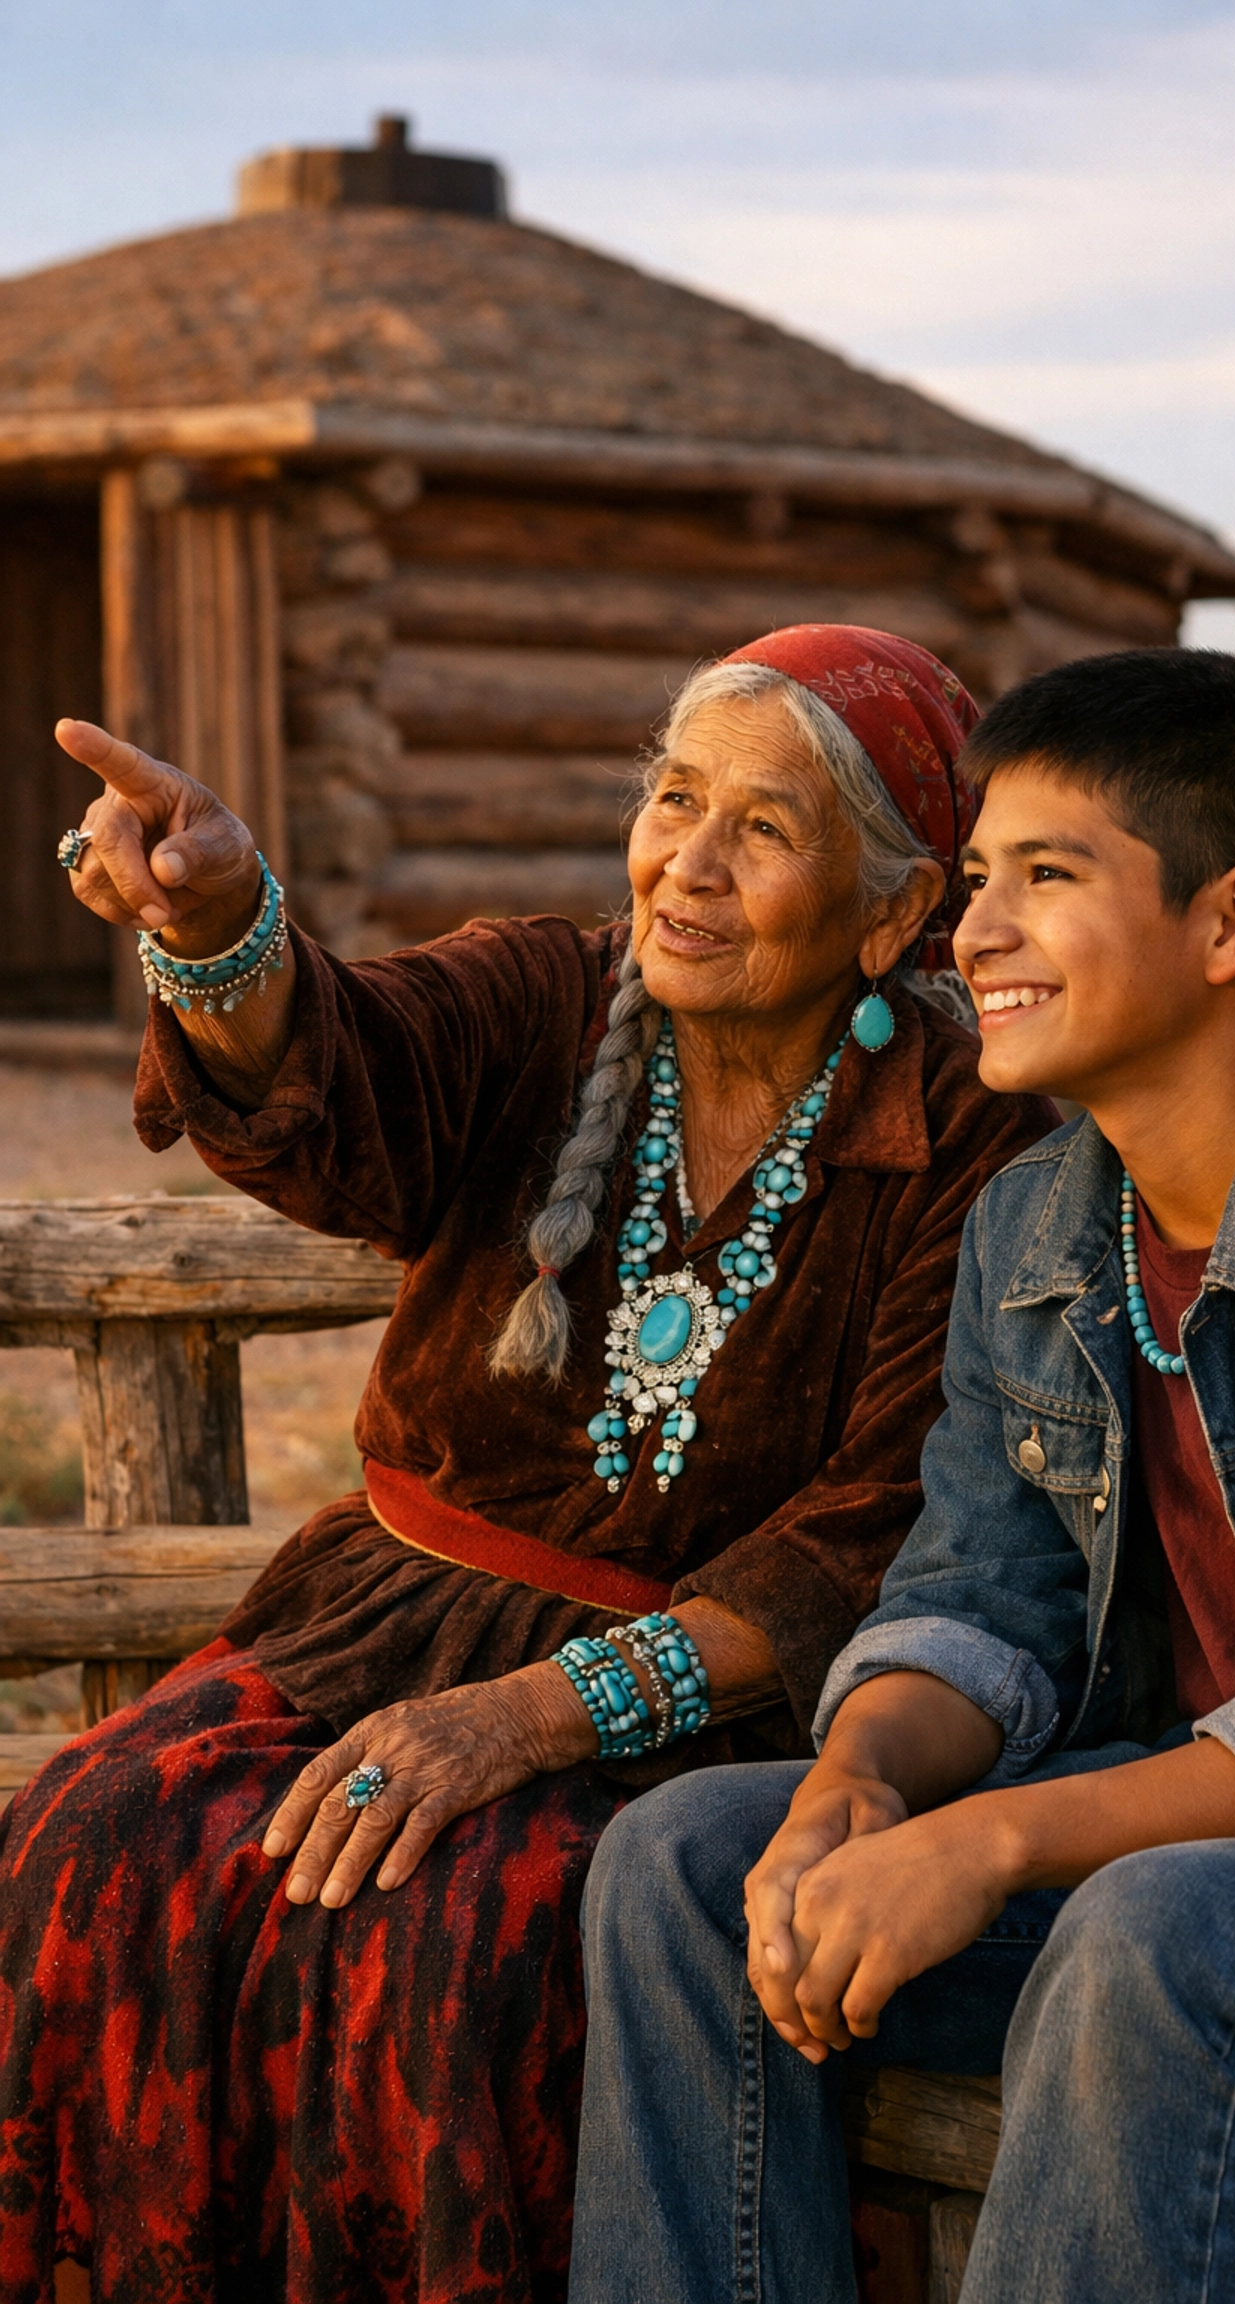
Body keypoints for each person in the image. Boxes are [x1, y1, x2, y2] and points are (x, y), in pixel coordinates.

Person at [0, 626, 1057, 2304]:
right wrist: (215, 929)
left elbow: (874, 1539)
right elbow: (344, 1060)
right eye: (672, 798)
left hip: (694, 1709)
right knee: (93, 1833)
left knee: (456, 1946)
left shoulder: (979, 1138)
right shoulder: (548, 996)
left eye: (764, 831)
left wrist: (523, 1722)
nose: (686, 867)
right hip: (373, 1639)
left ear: (897, 911)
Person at [570, 648, 1235, 2304]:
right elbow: (978, 1593)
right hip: (1198, 1852)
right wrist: (860, 1783)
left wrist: (1000, 1841)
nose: (977, 934)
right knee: (692, 1872)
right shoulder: (1035, 1221)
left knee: (1153, 1936)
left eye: (1049, 877)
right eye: (975, 881)